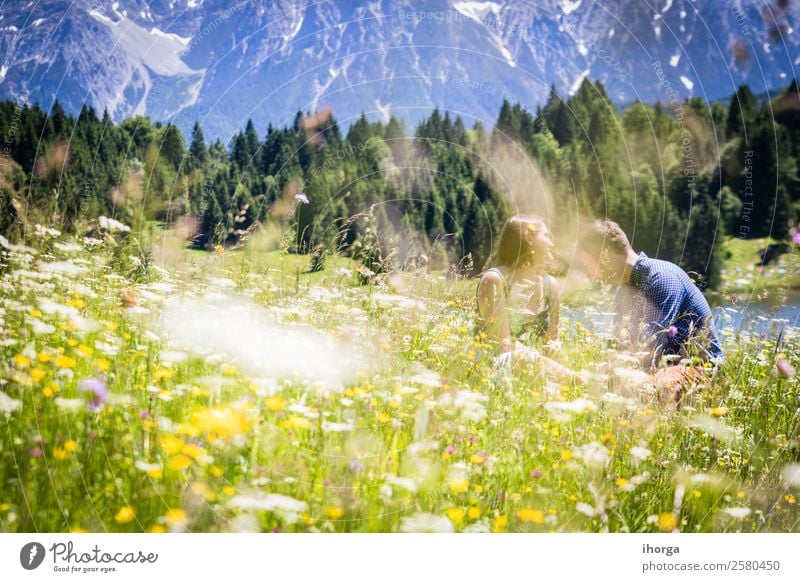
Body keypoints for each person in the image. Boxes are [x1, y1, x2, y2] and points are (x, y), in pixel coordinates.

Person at [576, 219, 723, 372]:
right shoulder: (623, 291)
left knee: (631, 380)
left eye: (588, 266)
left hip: (701, 369)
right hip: (663, 369)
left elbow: (651, 347)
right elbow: (619, 344)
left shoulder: (662, 278)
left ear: (604, 257)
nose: (590, 274)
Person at [476, 214, 583, 383]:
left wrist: (560, 377)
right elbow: (503, 346)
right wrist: (566, 375)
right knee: (525, 360)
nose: (552, 243)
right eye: (546, 236)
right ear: (529, 237)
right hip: (494, 366)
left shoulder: (551, 286)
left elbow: (552, 346)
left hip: (538, 370)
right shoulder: (494, 279)